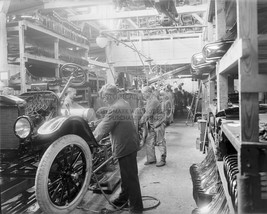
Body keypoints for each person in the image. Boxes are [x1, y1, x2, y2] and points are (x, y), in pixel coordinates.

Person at [93, 84, 143, 214]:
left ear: (110, 95)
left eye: (104, 97)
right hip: (129, 143)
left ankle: (136, 208)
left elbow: (103, 127)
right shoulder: (123, 103)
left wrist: (90, 140)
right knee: (127, 176)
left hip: (125, 146)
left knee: (130, 177)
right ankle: (123, 199)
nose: (104, 100)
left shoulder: (115, 108)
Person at [140, 86, 167, 167]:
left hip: (158, 123)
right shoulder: (149, 100)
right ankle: (151, 159)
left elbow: (148, 113)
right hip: (152, 124)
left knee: (160, 141)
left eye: (143, 93)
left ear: (148, 92)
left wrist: (140, 122)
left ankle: (163, 159)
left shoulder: (153, 101)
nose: (143, 95)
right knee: (149, 141)